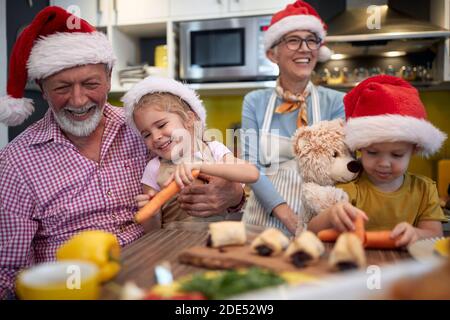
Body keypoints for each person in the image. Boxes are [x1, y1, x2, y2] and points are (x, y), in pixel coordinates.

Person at [0, 7, 243, 299]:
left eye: (91, 84)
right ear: (42, 88)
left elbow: (214, 166)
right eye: (62, 87)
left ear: (109, 76)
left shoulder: (143, 126)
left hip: (162, 274)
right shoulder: (16, 161)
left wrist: (233, 195)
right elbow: (8, 271)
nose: (78, 100)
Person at [241, 0, 345, 236]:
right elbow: (251, 167)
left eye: (311, 40)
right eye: (293, 40)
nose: (305, 48)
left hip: (321, 222)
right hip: (263, 223)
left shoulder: (337, 102)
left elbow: (340, 168)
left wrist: (315, 222)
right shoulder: (254, 102)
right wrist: (286, 214)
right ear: (272, 54)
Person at [308, 75, 447, 247]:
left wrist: (416, 234)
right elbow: (312, 231)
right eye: (373, 153)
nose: (384, 163)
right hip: (355, 266)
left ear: (414, 149)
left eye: (396, 155)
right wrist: (330, 215)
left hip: (405, 270)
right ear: (360, 147)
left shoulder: (424, 190)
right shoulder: (349, 189)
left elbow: (435, 235)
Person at [123, 76, 259, 230]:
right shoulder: (153, 169)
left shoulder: (214, 149)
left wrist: (200, 165)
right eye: (146, 134)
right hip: (175, 242)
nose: (156, 137)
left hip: (220, 238)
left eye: (161, 125)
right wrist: (152, 214)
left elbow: (252, 173)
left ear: (189, 119)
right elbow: (152, 231)